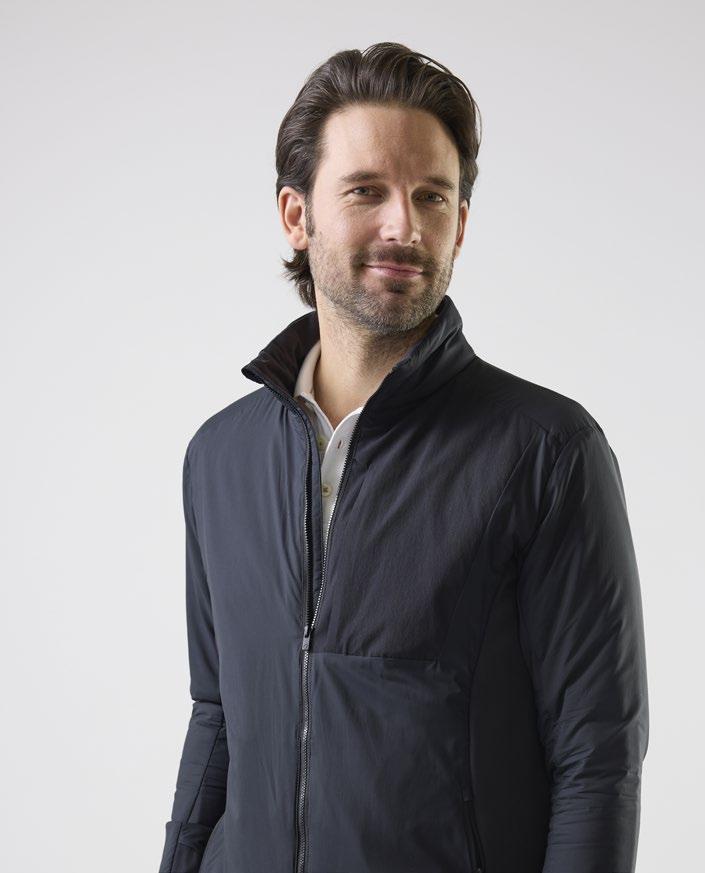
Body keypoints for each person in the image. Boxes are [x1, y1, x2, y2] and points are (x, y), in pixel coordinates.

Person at [158, 41, 650, 873]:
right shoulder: (220, 457)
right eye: (366, 191)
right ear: (296, 215)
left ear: (461, 223)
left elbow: (596, 758)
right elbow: (217, 714)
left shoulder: (545, 452)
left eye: (432, 196)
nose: (404, 226)